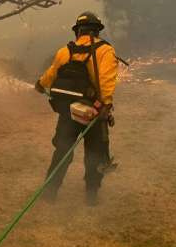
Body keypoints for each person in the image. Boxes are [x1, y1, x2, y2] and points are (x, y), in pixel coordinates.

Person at [34, 11, 118, 206]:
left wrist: (40, 84)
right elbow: (106, 81)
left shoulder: (65, 51)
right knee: (95, 153)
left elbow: (51, 73)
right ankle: (91, 195)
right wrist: (106, 104)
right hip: (95, 112)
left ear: (78, 32)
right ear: (96, 31)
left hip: (68, 111)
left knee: (62, 150)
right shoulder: (106, 51)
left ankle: (50, 192)